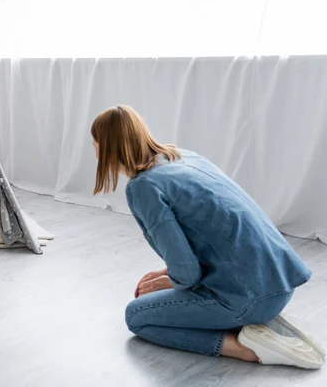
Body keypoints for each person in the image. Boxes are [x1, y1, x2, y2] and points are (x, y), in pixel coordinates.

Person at [90, 105, 324, 369]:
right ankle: (254, 323)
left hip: (249, 300)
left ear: (107, 146)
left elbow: (188, 274)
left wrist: (171, 281)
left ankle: (242, 348)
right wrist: (170, 271)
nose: (94, 149)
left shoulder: (144, 187)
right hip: (280, 284)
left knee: (137, 316)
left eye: (95, 142)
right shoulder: (181, 156)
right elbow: (212, 232)